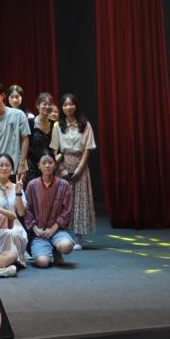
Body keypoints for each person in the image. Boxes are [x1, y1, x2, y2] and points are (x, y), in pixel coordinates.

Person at [51, 93, 97, 247]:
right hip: (63, 164)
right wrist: (61, 169)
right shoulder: (57, 125)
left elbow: (87, 149)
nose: (68, 107)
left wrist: (80, 168)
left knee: (80, 200)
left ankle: (78, 237)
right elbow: (55, 149)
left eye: (71, 104)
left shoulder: (85, 124)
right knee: (63, 201)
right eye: (65, 105)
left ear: (76, 106)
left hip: (79, 163)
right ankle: (63, 236)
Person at [23, 153, 76, 268]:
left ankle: (57, 251)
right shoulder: (32, 185)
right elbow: (27, 211)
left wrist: (52, 231)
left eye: (50, 162)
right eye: (44, 163)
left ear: (55, 165)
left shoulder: (64, 185)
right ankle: (48, 251)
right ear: (39, 166)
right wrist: (35, 229)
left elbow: (66, 212)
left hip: (57, 230)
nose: (47, 165)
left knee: (66, 246)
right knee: (42, 263)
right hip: (40, 233)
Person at [0, 153, 31, 265]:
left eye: (7, 165)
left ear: (12, 169)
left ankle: (12, 259)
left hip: (15, 226)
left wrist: (18, 193)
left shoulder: (17, 187)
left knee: (12, 233)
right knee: (7, 233)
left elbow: (21, 213)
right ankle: (12, 260)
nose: (4, 168)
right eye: (1, 165)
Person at [26, 92, 57, 181]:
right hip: (33, 167)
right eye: (44, 104)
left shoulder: (54, 124)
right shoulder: (30, 122)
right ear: (37, 105)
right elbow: (25, 145)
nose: (47, 106)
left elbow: (55, 148)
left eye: (50, 104)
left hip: (49, 167)